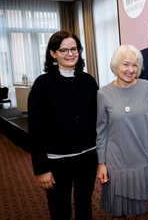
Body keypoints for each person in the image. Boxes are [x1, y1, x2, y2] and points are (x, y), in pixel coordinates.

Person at [28, 31, 99, 220]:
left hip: (88, 158)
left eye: (74, 49)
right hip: (57, 161)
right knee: (60, 210)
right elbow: (35, 130)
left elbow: (98, 120)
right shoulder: (42, 84)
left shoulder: (89, 81)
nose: (70, 54)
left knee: (85, 205)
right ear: (53, 53)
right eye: (64, 50)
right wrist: (41, 169)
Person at [96, 45, 148, 220]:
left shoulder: (146, 87)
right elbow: (101, 132)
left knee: (142, 212)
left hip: (143, 158)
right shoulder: (103, 94)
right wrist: (101, 164)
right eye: (125, 64)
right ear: (116, 65)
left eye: (135, 65)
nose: (130, 70)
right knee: (118, 213)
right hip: (116, 162)